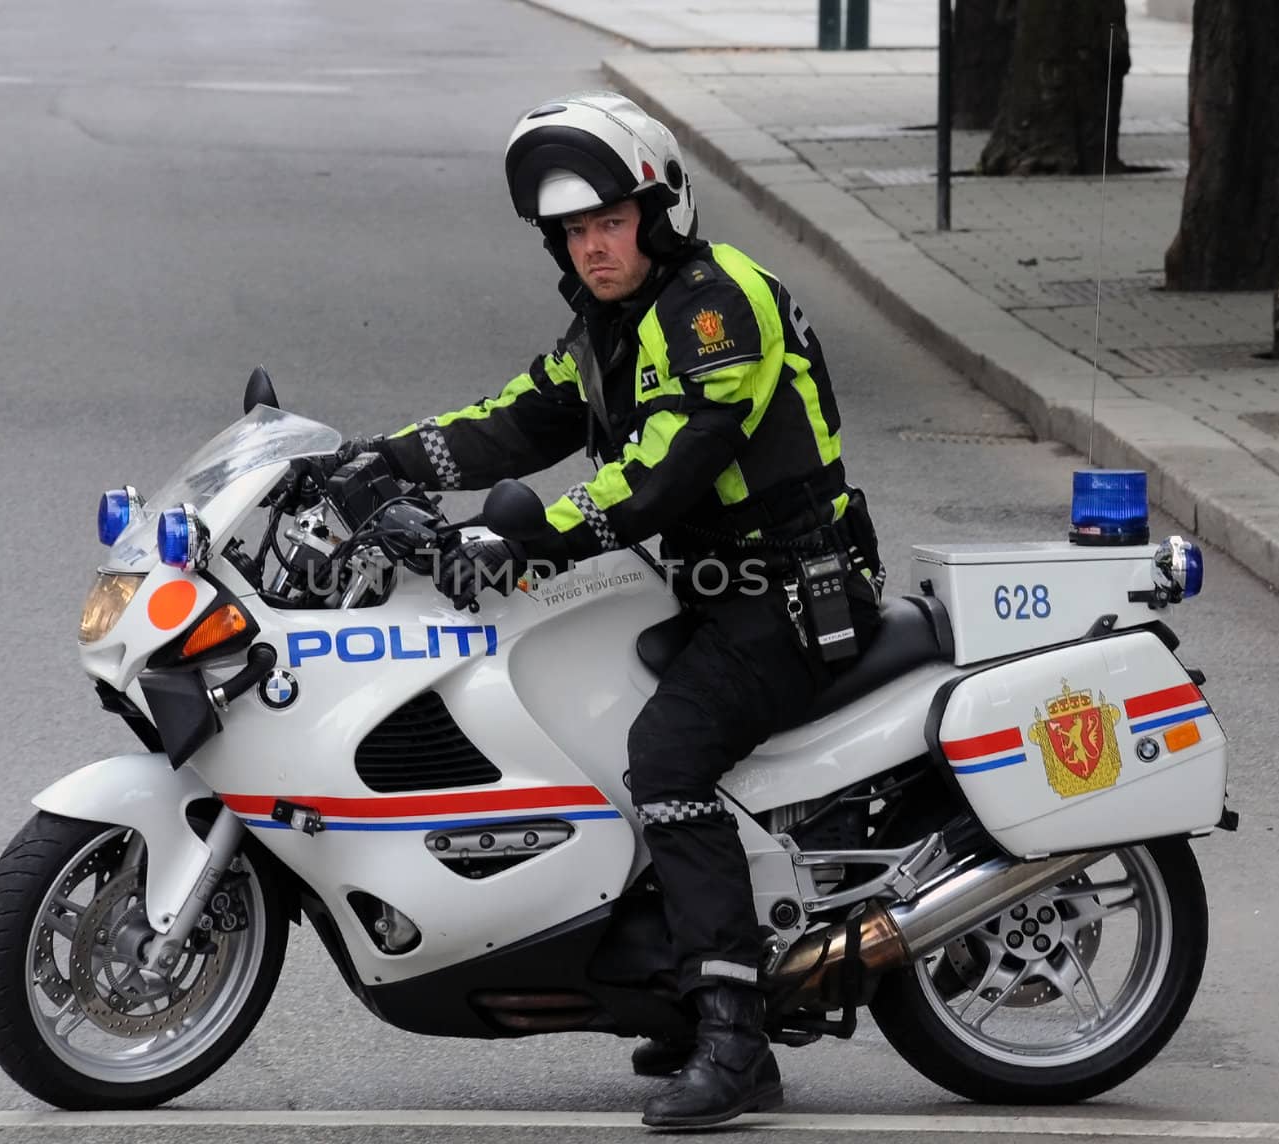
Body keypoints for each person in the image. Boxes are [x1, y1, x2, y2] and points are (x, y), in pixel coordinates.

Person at [336, 91, 882, 1129]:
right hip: (715, 594)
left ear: (658, 210)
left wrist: (522, 534)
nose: (592, 247)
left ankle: (731, 1035)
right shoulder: (607, 328)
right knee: (582, 728)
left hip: (794, 596)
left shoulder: (721, 305)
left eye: (608, 223)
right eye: (574, 232)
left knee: (666, 758)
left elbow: (669, 467)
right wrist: (373, 460)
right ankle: (676, 975)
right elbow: (514, 419)